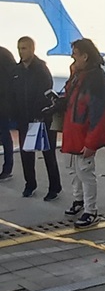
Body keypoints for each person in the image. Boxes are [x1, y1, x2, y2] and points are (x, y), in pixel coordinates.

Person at [59, 39, 105, 229]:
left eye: (75, 54)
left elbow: (100, 114)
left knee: (85, 172)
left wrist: (92, 142)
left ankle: (91, 211)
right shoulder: (79, 75)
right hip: (73, 131)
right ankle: (79, 200)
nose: (72, 57)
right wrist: (72, 73)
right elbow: (69, 97)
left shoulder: (96, 79)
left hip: (83, 134)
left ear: (85, 56)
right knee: (74, 170)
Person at [11, 37, 62, 200]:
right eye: (19, 48)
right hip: (24, 119)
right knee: (26, 153)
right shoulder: (16, 71)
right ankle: (30, 184)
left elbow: (46, 92)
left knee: (48, 153)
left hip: (42, 118)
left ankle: (54, 187)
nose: (21, 52)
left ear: (32, 49)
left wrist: (39, 113)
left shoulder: (41, 69)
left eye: (24, 48)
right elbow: (13, 93)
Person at [0, 46, 17, 181]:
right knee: (4, 134)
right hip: (4, 102)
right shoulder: (5, 54)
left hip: (3, 103)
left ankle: (7, 169)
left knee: (4, 134)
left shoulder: (4, 55)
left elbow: (13, 80)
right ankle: (7, 168)